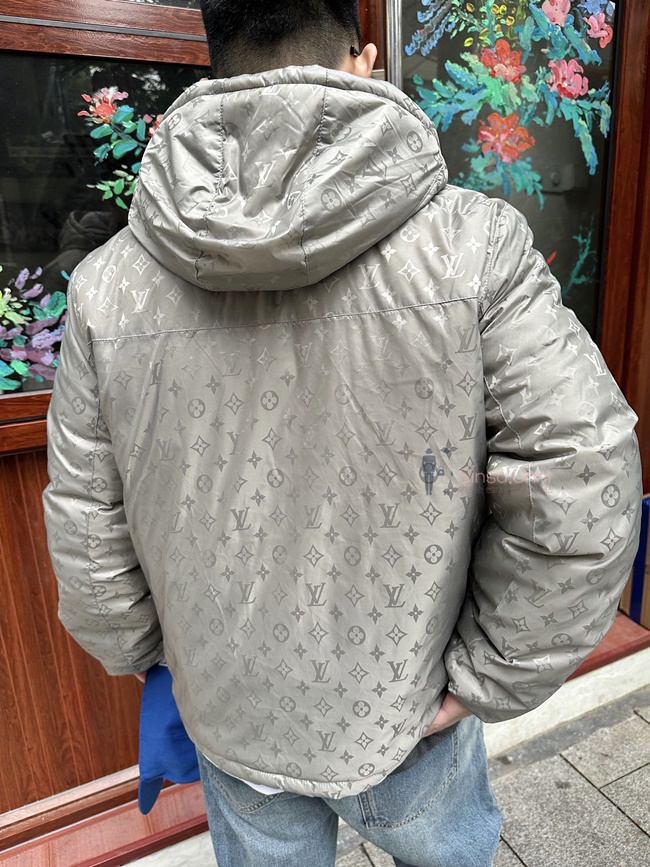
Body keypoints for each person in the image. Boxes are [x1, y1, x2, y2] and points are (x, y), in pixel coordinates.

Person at [43, 1, 642, 865]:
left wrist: (151, 656)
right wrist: (486, 678)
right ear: (362, 60)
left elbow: (86, 521)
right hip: (408, 702)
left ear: (215, 72)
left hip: (233, 709)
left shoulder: (109, 286)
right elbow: (582, 479)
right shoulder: (472, 246)